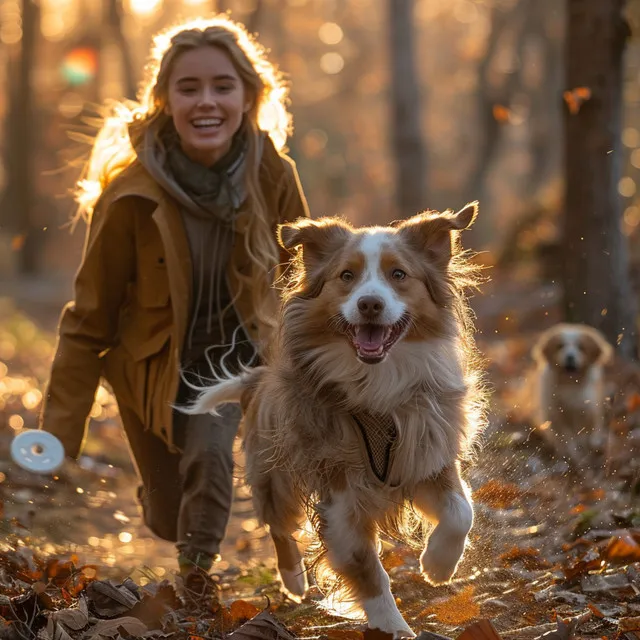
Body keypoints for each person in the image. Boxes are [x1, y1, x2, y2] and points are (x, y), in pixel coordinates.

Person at [39, 14, 309, 605]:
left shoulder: (273, 174)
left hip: (240, 359)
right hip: (152, 369)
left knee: (211, 462)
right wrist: (58, 433)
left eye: (222, 86)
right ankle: (176, 528)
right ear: (164, 99)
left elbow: (300, 284)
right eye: (189, 88)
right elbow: (87, 321)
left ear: (248, 96)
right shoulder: (130, 192)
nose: (206, 101)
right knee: (167, 513)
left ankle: (194, 586)